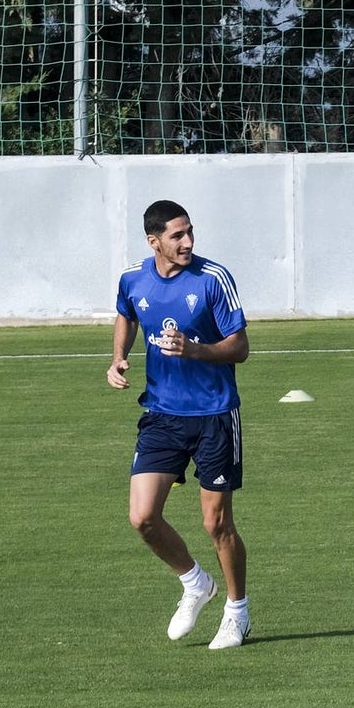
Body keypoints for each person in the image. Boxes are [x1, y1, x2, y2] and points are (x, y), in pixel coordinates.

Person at [107, 199, 252, 649]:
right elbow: (126, 314)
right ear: (154, 242)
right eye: (177, 235)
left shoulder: (213, 279)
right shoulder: (133, 278)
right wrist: (117, 357)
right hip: (162, 415)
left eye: (190, 232)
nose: (187, 241)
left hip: (214, 415)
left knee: (216, 524)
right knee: (143, 517)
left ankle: (237, 612)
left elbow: (241, 347)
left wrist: (197, 351)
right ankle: (194, 582)